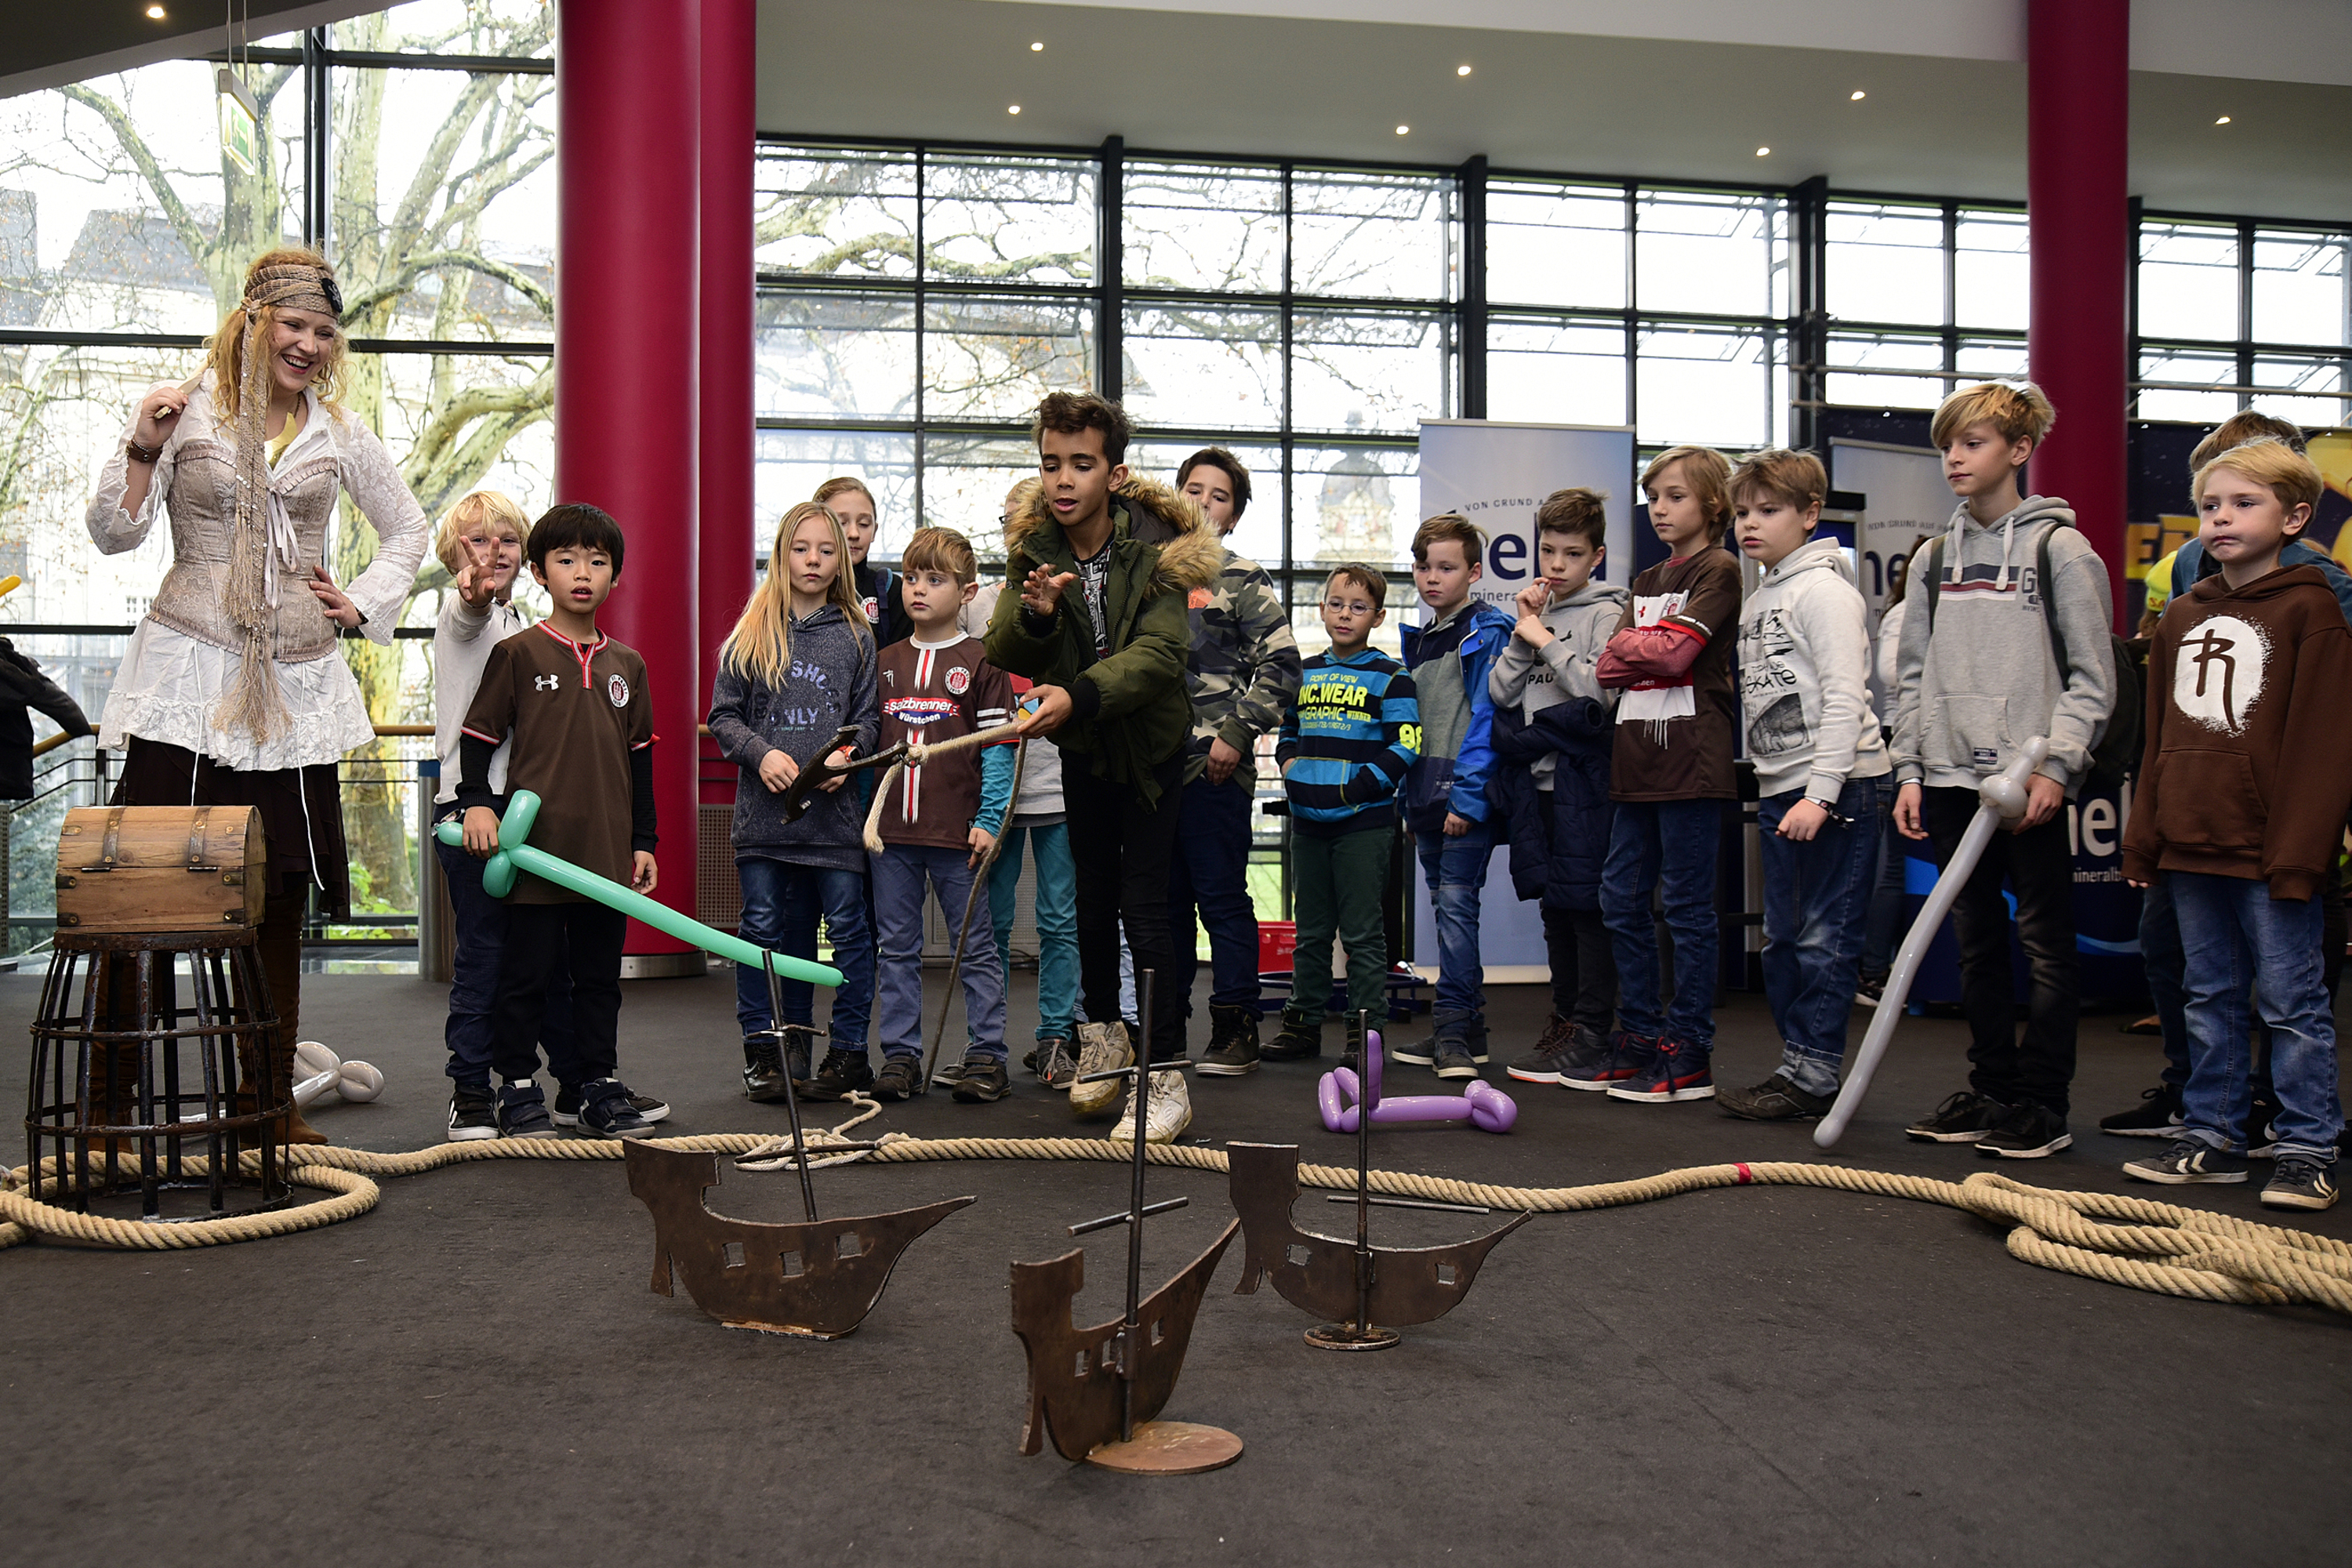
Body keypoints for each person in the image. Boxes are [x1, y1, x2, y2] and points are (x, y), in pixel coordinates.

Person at [87, 247, 429, 1146]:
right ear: (252, 321)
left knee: (278, 894)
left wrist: (361, 601)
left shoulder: (340, 431)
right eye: (295, 325)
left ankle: (263, 1107)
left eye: (324, 331)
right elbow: (114, 533)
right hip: (185, 682)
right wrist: (141, 443)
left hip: (298, 687)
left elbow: (407, 526)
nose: (310, 344)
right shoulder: (187, 409)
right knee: (144, 891)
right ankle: (107, 1113)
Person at [2101, 412, 2351, 1143]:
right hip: (2188, 845)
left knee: (2290, 1002)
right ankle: (2212, 1130)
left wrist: (2301, 856)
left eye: (2245, 504)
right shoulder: (2180, 614)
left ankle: (2307, 1139)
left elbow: (2323, 748)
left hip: (2270, 852)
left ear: (2295, 516)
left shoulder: (2316, 608)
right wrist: (2145, 838)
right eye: (2211, 506)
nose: (2222, 519)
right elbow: (2162, 742)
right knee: (2206, 995)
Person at [985, 390, 1220, 1145]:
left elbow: (1158, 658)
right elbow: (1004, 649)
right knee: (1090, 901)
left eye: (1080, 465)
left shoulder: (1159, 548)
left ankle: (1163, 1075)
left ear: (1113, 476)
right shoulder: (1036, 550)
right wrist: (1038, 616)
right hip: (1084, 750)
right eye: (1051, 463)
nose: (1062, 480)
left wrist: (1078, 694)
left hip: (1151, 756)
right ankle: (1104, 1041)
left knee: (1146, 906)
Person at [1891, 380, 2114, 1160]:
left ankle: (2042, 1104)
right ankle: (1990, 1090)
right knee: (1977, 938)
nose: (1955, 457)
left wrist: (2056, 761)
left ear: (2019, 450)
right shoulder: (1931, 558)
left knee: (2046, 943)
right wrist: (1911, 767)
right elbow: (1911, 672)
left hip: (2029, 783)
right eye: (1948, 443)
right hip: (1949, 778)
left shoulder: (2061, 549)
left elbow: (2094, 674)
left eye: (1974, 442)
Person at [433, 492, 670, 1140]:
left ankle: (588, 1083)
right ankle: (493, 1086)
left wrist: (643, 839)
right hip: (513, 840)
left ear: (616, 574)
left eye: (598, 562)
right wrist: (479, 801)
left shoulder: (627, 664)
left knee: (591, 979)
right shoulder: (495, 635)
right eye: (566, 560)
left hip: (599, 852)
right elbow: (478, 723)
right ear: (546, 571)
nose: (584, 573)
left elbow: (641, 761)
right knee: (507, 969)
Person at [1717, 450, 1890, 1120]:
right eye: (1741, 513)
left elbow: (1848, 698)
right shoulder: (1763, 595)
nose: (1749, 525)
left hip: (1840, 791)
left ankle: (1814, 1075)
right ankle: (1799, 1066)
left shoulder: (1825, 592)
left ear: (1810, 515)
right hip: (1785, 788)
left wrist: (1820, 794)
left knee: (1825, 940)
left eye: (1769, 511)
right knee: (1785, 941)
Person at [706, 500, 877, 1102]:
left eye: (826, 551)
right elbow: (722, 717)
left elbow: (869, 722)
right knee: (762, 932)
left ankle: (849, 1051)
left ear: (841, 562)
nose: (813, 560)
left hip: (834, 826)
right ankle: (768, 1049)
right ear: (782, 555)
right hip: (764, 823)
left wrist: (847, 757)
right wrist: (761, 754)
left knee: (850, 932)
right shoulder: (751, 632)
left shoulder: (858, 635)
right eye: (801, 549)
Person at [1587, 446, 1741, 1103]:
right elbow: (1605, 667)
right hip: (1635, 766)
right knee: (1619, 901)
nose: (1660, 508)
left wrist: (1637, 647)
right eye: (1654, 497)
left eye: (1675, 495)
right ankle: (1642, 1036)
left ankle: (1690, 1050)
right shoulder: (1647, 580)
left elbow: (1677, 656)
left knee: (1685, 911)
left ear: (1710, 503)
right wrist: (1638, 649)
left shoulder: (1722, 569)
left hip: (1692, 766)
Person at [866, 526, 1017, 1102]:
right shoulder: (882, 663)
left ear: (968, 591)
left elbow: (1000, 749)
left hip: (960, 837)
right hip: (893, 840)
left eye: (936, 579)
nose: (920, 590)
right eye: (911, 578)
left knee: (973, 947)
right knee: (896, 949)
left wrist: (991, 819)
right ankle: (901, 1057)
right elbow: (865, 747)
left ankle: (986, 1055)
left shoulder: (983, 662)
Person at [1170, 448, 1302, 1076]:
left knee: (1219, 899)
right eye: (1192, 489)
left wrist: (1236, 734)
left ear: (1234, 514)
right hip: (1149, 771)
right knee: (1160, 905)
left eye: (1216, 495)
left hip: (1213, 764)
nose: (1201, 502)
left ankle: (1235, 1027)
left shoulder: (1243, 578)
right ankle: (1163, 1030)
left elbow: (1282, 667)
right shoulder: (1148, 575)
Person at [1486, 489, 1625, 1085]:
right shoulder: (1531, 616)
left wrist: (1547, 639)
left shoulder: (1608, 613)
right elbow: (1499, 694)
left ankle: (1594, 1030)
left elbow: (1599, 694)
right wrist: (1525, 633)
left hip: (1585, 785)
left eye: (1572, 553)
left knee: (1588, 907)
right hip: (1535, 786)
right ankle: (1566, 1022)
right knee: (1554, 908)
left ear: (1597, 555)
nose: (1558, 564)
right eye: (1548, 551)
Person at [1269, 564, 1421, 1063]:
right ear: (1321, 609)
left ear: (1377, 617)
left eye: (1358, 607)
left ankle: (1366, 1035)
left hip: (1364, 824)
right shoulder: (1305, 672)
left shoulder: (1392, 676)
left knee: (1361, 934)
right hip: (1308, 821)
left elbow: (1408, 744)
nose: (1345, 614)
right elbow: (1287, 730)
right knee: (1310, 932)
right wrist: (1289, 764)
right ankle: (1303, 1026)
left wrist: (1359, 786)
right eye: (1336, 603)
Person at [963, 480, 1082, 1091]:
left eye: (1028, 517)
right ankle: (987, 1042)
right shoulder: (977, 604)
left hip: (1060, 786)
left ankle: (1058, 1036)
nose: (1018, 526)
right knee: (992, 922)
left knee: (1061, 920)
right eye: (1009, 516)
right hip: (998, 787)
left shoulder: (1077, 597)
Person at [1392, 514, 1515, 1081]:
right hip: (1424, 799)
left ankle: (1452, 1033)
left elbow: (1487, 720)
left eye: (1445, 568)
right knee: (1448, 913)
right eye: (1424, 567)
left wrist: (1467, 800)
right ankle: (1470, 1031)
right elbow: (1414, 726)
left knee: (1457, 913)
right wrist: (1408, 802)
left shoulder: (1485, 631)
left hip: (1464, 800)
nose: (1432, 578)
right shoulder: (1423, 638)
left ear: (1473, 571)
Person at [1855, 534, 1931, 1007]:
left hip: (1938, 744)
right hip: (1899, 741)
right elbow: (1890, 673)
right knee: (1891, 866)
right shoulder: (1907, 612)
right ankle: (1872, 971)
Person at [818, 476, 909, 649]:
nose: (853, 533)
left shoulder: (891, 590)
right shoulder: (799, 588)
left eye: (864, 524)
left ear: (875, 530)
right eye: (841, 522)